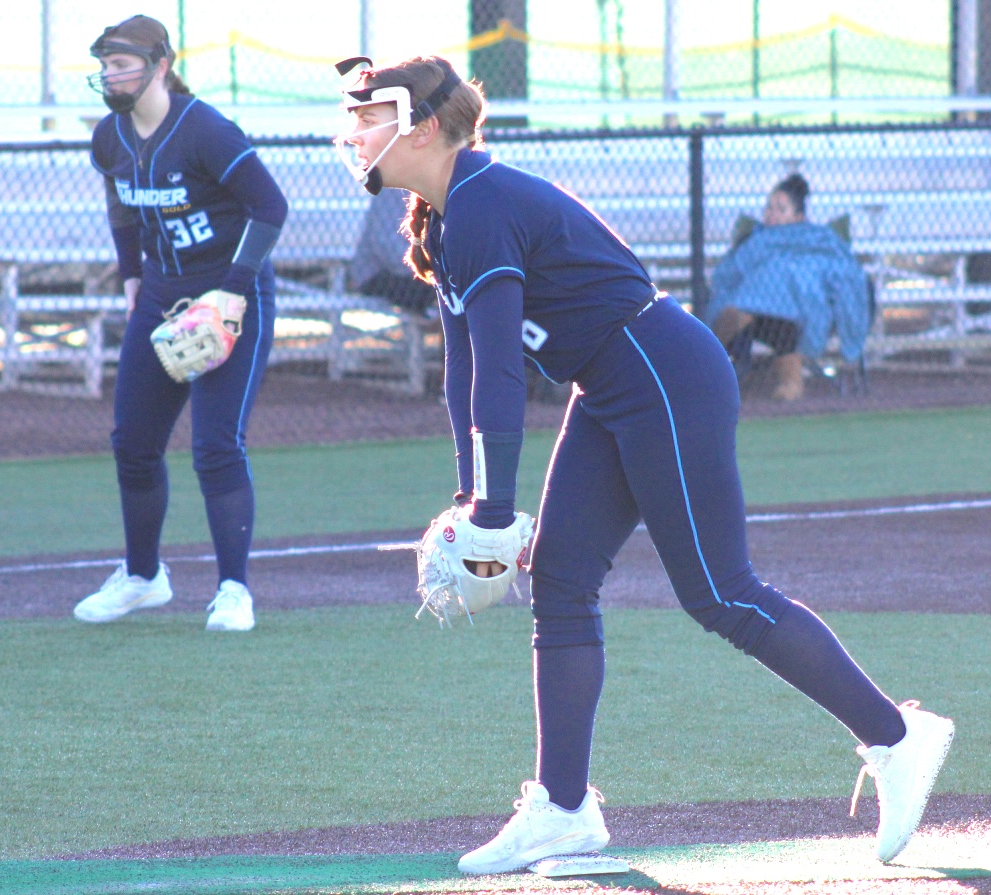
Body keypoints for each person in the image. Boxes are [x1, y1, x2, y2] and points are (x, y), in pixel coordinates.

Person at [334, 55, 953, 875]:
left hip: (662, 372)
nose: (357, 130)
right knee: (559, 579)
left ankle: (899, 736)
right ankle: (562, 809)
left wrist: (492, 513)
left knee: (721, 592)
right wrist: (471, 496)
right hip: (615, 379)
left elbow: (501, 375)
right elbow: (464, 375)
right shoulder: (448, 216)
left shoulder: (479, 202)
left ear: (422, 124)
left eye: (371, 112)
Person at [72, 15, 287, 632]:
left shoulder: (205, 129)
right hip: (161, 298)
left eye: (123, 64)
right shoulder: (109, 137)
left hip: (230, 295)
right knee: (132, 445)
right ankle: (144, 578)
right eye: (107, 66)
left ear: (161, 66)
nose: (112, 75)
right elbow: (119, 204)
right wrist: (130, 274)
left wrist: (235, 293)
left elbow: (270, 206)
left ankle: (234, 590)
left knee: (217, 446)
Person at [708, 173, 871, 401]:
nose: (771, 214)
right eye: (769, 207)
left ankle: (789, 383)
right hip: (751, 311)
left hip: (797, 314)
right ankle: (721, 363)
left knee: (784, 326)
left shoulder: (816, 238)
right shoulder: (755, 240)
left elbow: (842, 272)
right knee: (739, 315)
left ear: (798, 216)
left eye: (780, 209)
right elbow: (729, 273)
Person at [347, 187, 438, 315]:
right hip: (378, 273)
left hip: (418, 272)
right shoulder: (393, 189)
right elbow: (385, 247)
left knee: (450, 287)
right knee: (441, 290)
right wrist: (426, 266)